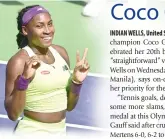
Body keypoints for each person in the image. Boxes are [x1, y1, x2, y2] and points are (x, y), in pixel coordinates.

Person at [4, 5, 89, 136]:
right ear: (25, 30)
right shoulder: (19, 61)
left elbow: (69, 106)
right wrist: (24, 80)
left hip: (60, 132)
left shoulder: (61, 53)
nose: (47, 30)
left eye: (50, 24)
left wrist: (77, 82)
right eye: (39, 26)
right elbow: (13, 114)